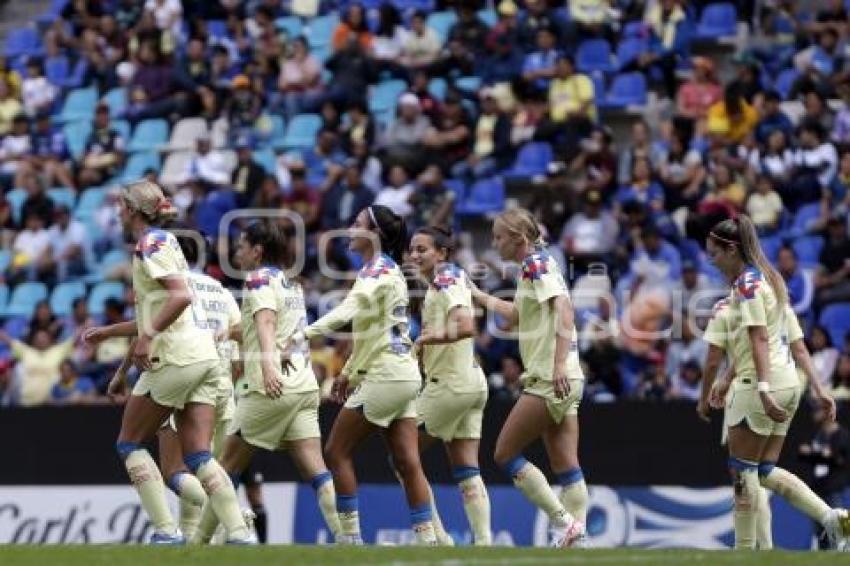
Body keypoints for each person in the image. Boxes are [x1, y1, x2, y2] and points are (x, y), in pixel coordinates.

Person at [82, 180, 252, 544]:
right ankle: (238, 530)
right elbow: (164, 306)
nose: (116, 212)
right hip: (206, 357)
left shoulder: (150, 243)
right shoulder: (167, 241)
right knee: (199, 455)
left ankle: (165, 530)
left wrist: (145, 337)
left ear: (131, 209)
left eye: (120, 206)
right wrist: (111, 332)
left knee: (129, 443)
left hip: (176, 356)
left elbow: (180, 296)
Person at [289, 205, 438, 545]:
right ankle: (427, 539)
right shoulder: (387, 270)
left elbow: (347, 311)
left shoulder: (377, 272)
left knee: (336, 451)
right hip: (404, 373)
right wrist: (350, 372)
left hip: (387, 374)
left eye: (356, 224)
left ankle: (350, 538)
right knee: (406, 461)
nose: (350, 229)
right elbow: (371, 332)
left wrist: (302, 334)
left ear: (374, 234)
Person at [702, 214, 849, 550]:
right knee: (764, 470)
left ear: (732, 250)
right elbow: (795, 344)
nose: (712, 260)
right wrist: (819, 387)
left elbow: (758, 341)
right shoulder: (772, 281)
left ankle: (745, 551)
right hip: (788, 381)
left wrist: (762, 387)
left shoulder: (747, 286)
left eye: (716, 253)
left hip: (760, 382)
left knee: (742, 470)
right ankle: (830, 518)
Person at [191, 220, 340, 544]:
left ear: (257, 251)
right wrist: (230, 332)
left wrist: (269, 369)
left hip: (268, 386)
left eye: (242, 246)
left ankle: (198, 543)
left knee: (224, 468)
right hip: (303, 385)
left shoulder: (257, 280)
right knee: (317, 470)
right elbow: (278, 329)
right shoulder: (291, 283)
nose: (237, 252)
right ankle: (349, 538)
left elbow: (268, 325)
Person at [469, 208, 588, 547]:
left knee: (504, 454)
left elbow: (565, 310)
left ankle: (565, 523)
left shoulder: (536, 264)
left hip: (552, 378)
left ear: (518, 239)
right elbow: (518, 315)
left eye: (498, 237)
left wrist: (558, 365)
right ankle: (576, 542)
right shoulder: (534, 267)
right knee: (566, 465)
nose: (495, 244)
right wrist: (478, 296)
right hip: (566, 376)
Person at [407, 226, 492, 546]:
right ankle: (484, 544)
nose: (415, 255)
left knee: (403, 457)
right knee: (466, 467)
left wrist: (429, 338)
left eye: (422, 249)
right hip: (472, 383)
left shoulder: (445, 279)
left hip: (450, 386)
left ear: (441, 253)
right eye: (412, 249)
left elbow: (467, 325)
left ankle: (438, 539)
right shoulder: (447, 279)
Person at [799, 407, 850, 549]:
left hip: (834, 488)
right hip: (817, 488)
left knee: (839, 525)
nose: (814, 413)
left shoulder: (842, 435)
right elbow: (804, 453)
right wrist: (821, 454)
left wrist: (817, 453)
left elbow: (841, 460)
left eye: (819, 410)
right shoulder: (818, 435)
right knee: (820, 531)